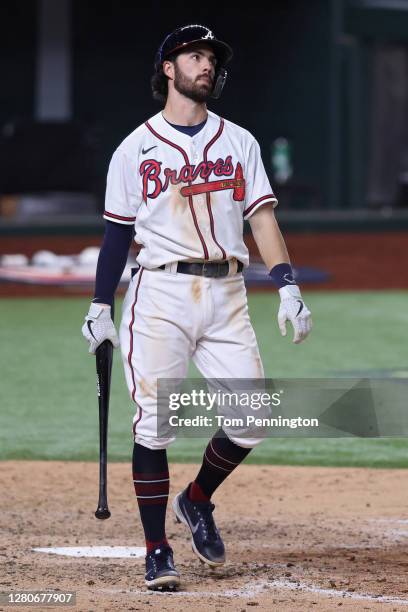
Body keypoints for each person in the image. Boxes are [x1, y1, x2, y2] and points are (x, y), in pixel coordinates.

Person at [82, 24, 312, 591]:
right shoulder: (134, 149)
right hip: (160, 296)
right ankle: (156, 550)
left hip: (228, 296)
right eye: (193, 55)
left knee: (252, 419)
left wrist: (287, 284)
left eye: (210, 56)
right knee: (156, 424)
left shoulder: (240, 141)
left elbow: (262, 219)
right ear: (168, 68)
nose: (205, 64)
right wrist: (98, 305)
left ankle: (196, 499)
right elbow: (116, 237)